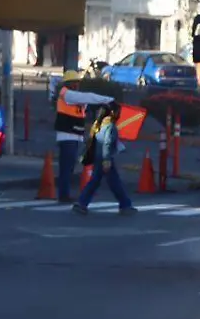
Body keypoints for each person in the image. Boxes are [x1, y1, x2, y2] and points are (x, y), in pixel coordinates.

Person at [50, 71, 113, 203]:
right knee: (66, 167)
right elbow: (88, 97)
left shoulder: (73, 96)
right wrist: (107, 100)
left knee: (69, 167)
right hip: (67, 135)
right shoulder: (66, 94)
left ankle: (64, 194)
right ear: (68, 83)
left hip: (74, 135)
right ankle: (63, 195)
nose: (77, 85)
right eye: (74, 82)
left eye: (77, 82)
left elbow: (86, 104)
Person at [72, 101, 137, 215]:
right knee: (114, 183)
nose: (119, 114)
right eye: (118, 112)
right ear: (113, 113)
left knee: (97, 181)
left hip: (98, 157)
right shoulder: (110, 126)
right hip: (105, 158)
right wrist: (106, 160)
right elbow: (107, 143)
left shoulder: (99, 124)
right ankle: (125, 205)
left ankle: (82, 203)